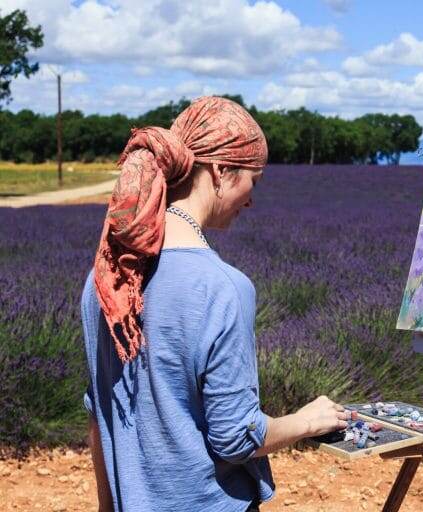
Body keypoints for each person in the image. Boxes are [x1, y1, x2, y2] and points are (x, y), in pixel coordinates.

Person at [81, 96, 348, 512]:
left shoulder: (107, 277)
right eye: (254, 180)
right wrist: (307, 421)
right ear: (221, 172)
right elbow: (236, 438)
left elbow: (100, 412)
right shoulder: (222, 288)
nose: (251, 200)